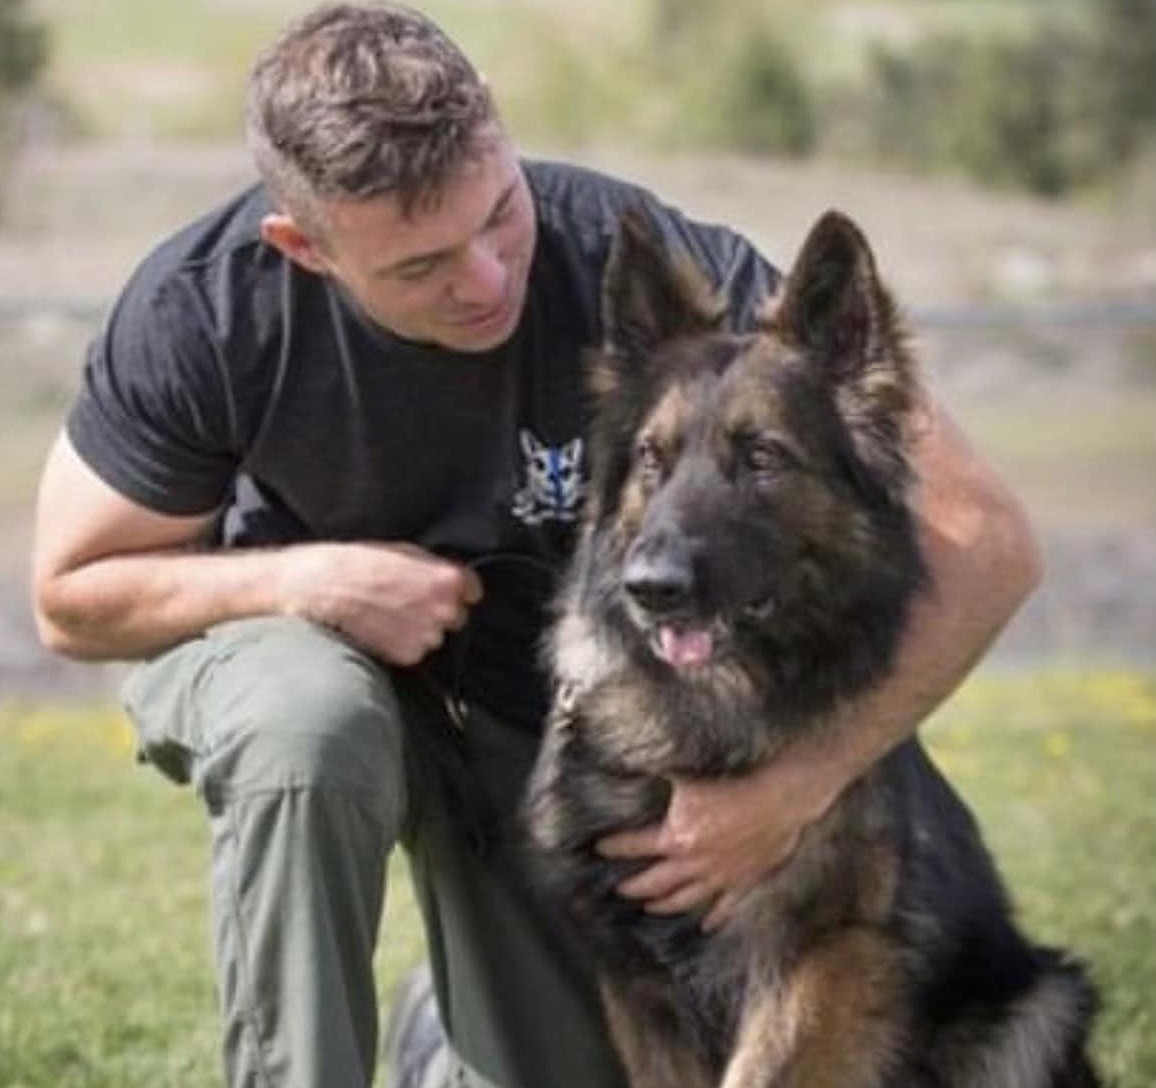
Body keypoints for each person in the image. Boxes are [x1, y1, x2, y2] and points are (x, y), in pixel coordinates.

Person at [30, 4, 1043, 1087]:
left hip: (518, 712)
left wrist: (797, 779)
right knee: (308, 723)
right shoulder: (203, 311)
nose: (487, 279)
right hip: (294, 660)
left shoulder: (629, 252)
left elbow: (987, 536)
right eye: (422, 266)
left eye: (497, 217)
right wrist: (306, 579)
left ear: (500, 134)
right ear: (303, 244)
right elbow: (71, 594)